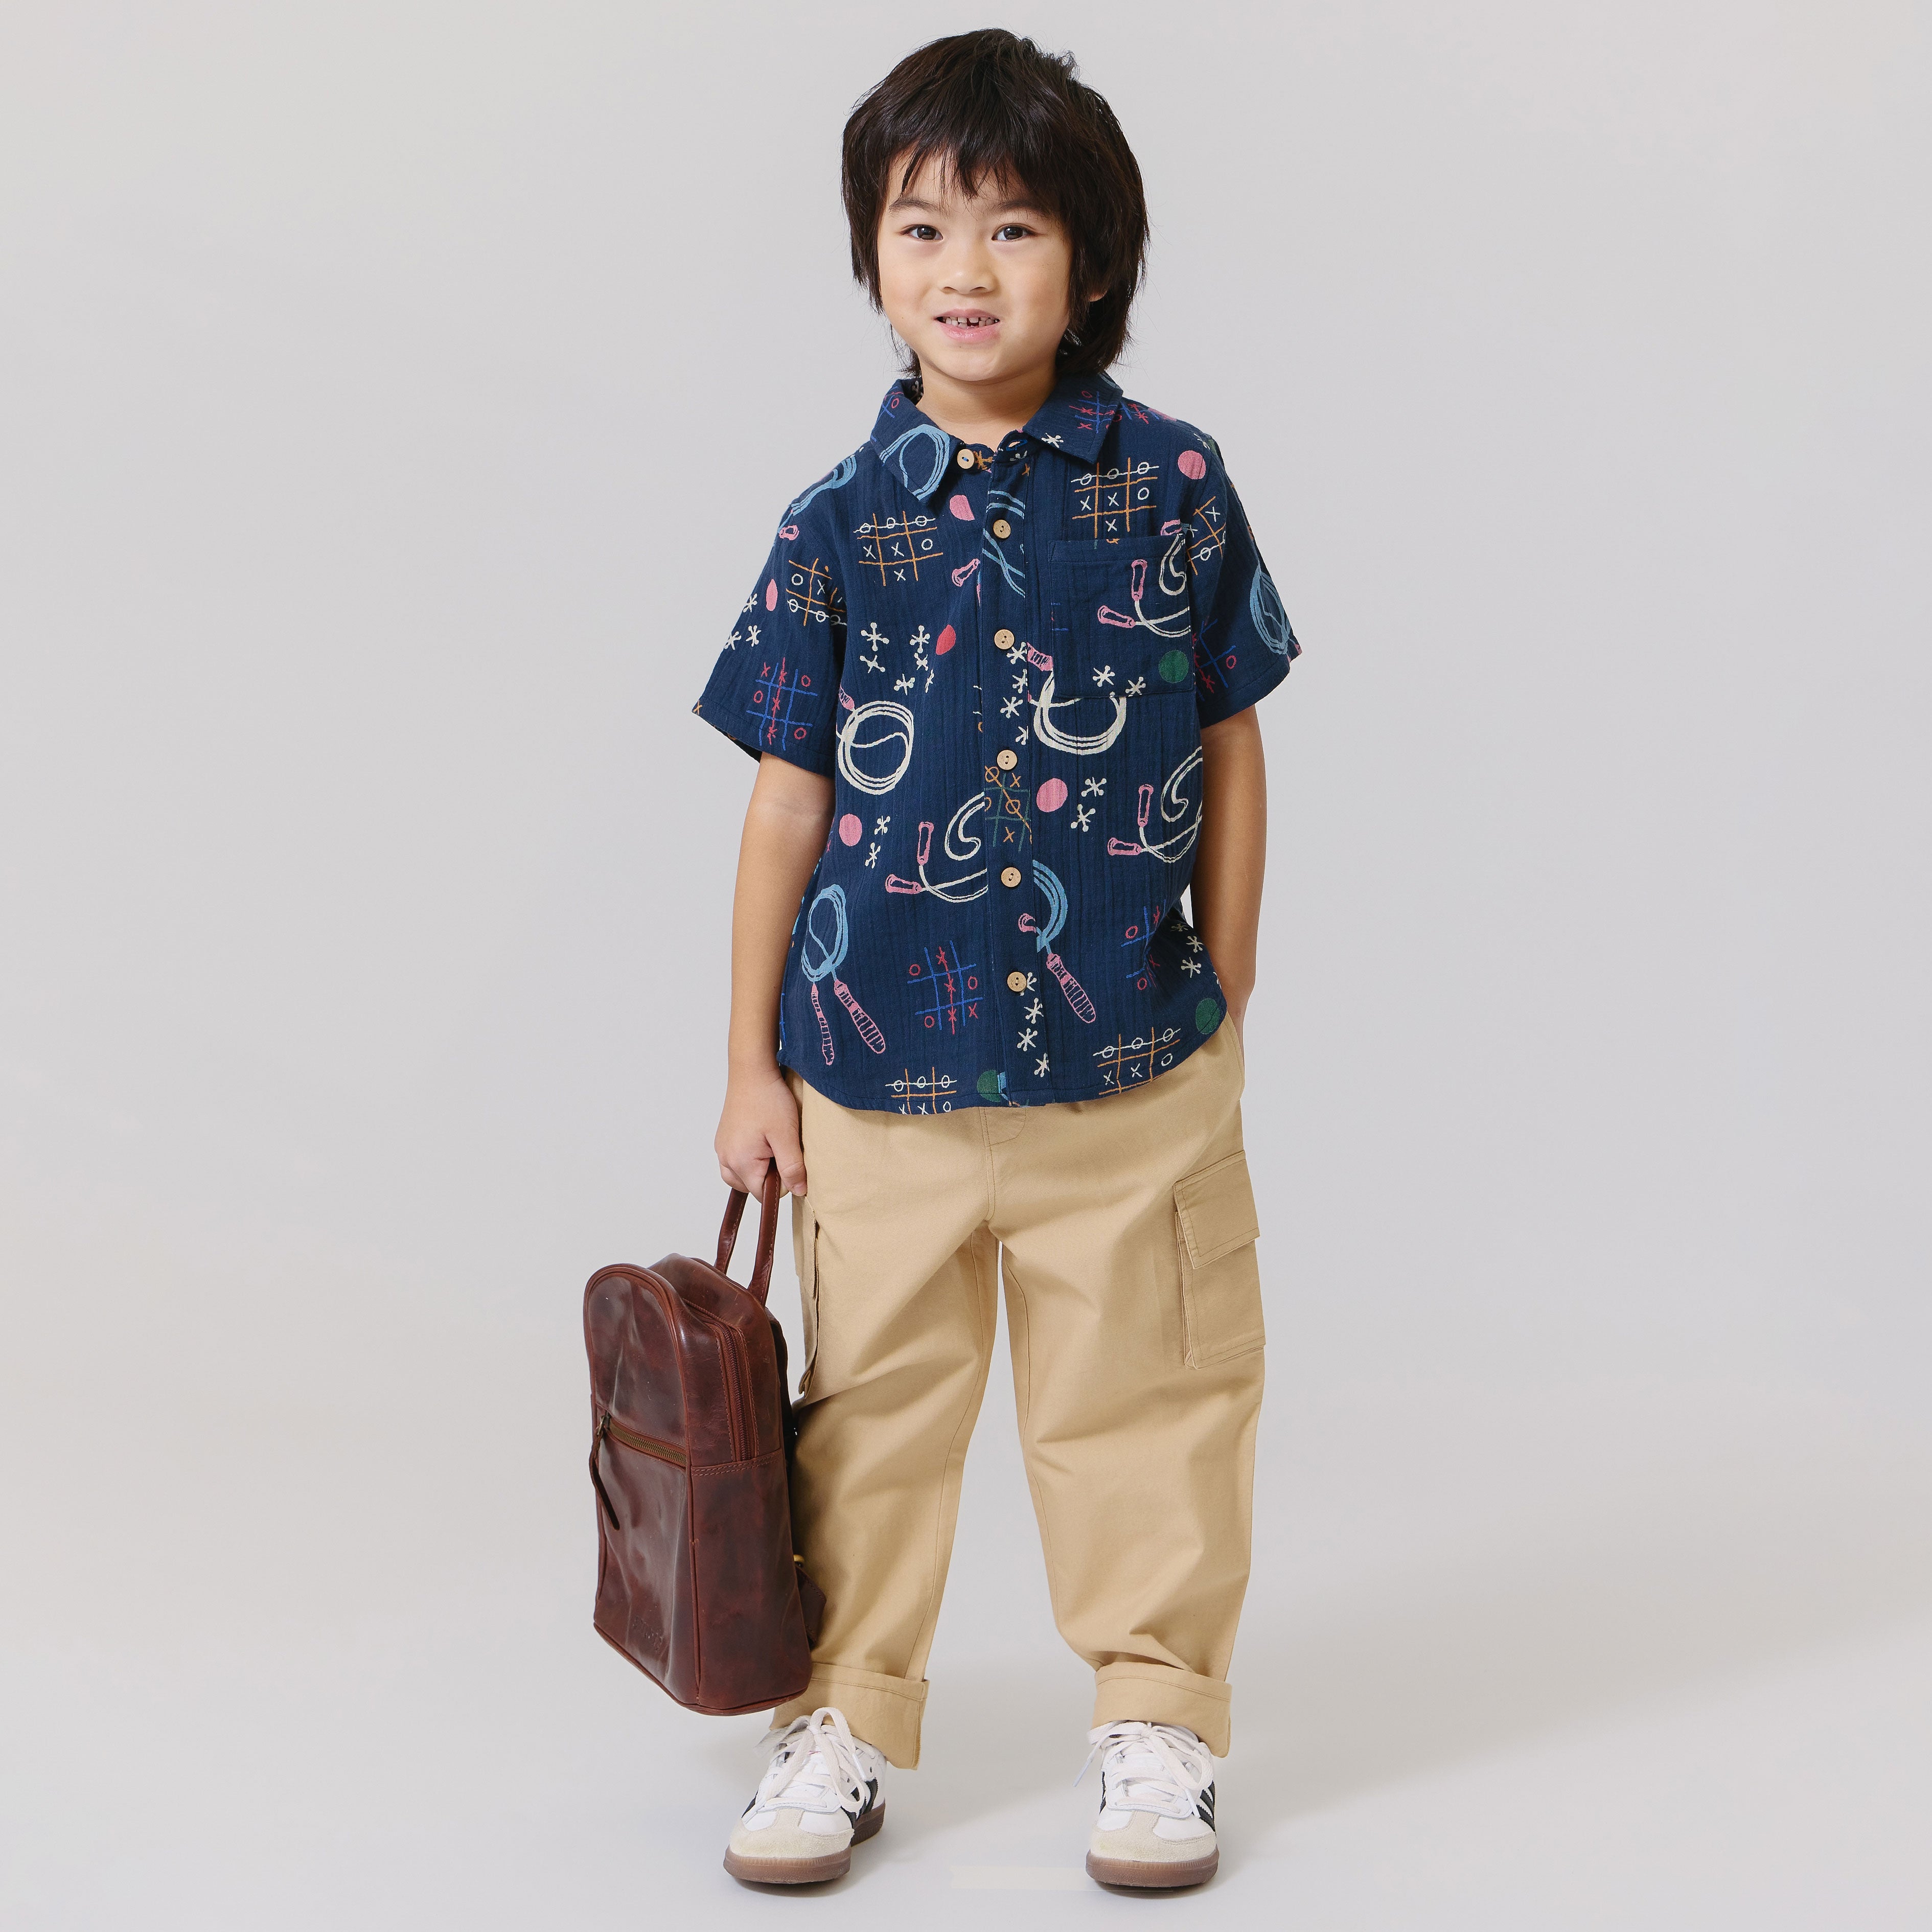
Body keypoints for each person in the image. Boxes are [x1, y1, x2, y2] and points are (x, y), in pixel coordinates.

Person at [691, 27, 1299, 1892]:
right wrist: (749, 1062)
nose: (965, 270)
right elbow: (787, 802)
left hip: (1131, 1068)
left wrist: (1225, 990)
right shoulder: (835, 524)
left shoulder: (1173, 485)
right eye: (922, 227)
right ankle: (841, 1714)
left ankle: (1158, 1713)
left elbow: (1230, 740)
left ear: (1091, 263)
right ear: (872, 260)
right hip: (875, 1076)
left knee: (1152, 1400)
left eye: (1014, 227)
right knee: (865, 1416)